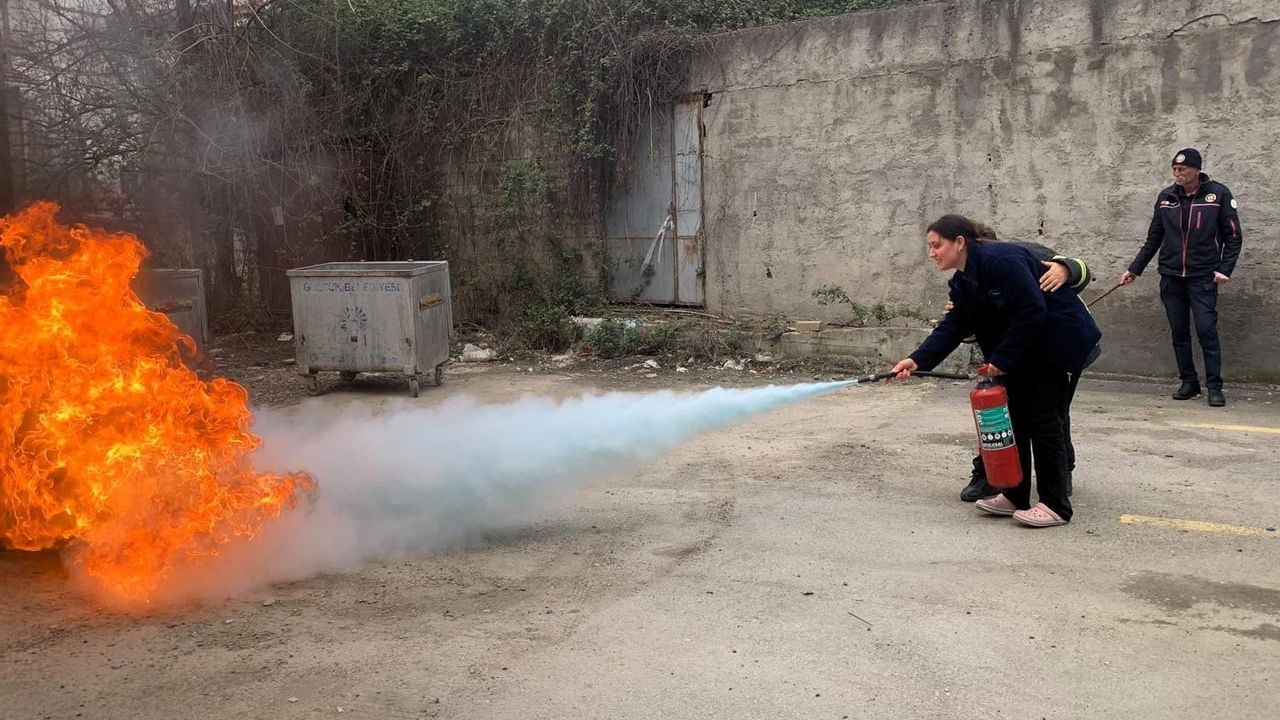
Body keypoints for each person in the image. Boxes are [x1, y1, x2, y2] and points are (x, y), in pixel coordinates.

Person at [892, 215, 1101, 528]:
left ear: (959, 242)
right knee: (1014, 421)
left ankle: (1056, 504)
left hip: (1055, 346)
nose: (932, 253)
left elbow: (1032, 311)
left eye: (937, 246)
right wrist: (917, 360)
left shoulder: (1000, 260)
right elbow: (955, 325)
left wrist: (1002, 360)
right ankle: (1015, 496)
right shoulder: (963, 280)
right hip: (1022, 352)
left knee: (1044, 422)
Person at [956, 227, 1098, 502]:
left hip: (1060, 349)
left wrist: (1066, 268)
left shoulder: (1027, 255)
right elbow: (970, 331)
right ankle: (992, 477)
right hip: (1010, 354)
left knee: (1051, 414)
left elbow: (1083, 272)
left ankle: (1059, 476)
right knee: (1001, 415)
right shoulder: (968, 275)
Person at [1119, 148, 1242, 407]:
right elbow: (1154, 238)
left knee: (1207, 330)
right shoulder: (1166, 198)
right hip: (1172, 276)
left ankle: (1214, 387)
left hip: (1203, 277)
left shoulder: (1217, 195)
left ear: (1196, 170)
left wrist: (1225, 269)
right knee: (1179, 331)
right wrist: (1135, 269)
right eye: (1175, 169)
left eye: (1183, 170)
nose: (1178, 174)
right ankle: (1189, 382)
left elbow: (1233, 236)